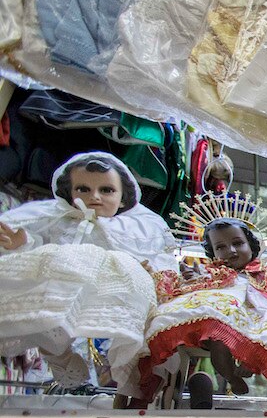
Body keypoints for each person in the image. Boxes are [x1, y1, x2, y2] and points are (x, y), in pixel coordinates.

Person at [0, 151, 176, 396]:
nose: (94, 197)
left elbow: (158, 257)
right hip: (64, 285)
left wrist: (148, 270)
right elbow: (37, 240)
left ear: (123, 197)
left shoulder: (138, 227)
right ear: (69, 192)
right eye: (83, 189)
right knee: (46, 312)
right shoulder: (55, 217)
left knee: (137, 314)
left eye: (106, 190)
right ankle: (57, 353)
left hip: (110, 289)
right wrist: (24, 242)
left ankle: (128, 371)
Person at [142, 217, 267, 398]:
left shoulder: (263, 273)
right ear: (213, 252)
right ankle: (231, 377)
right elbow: (198, 285)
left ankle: (252, 362)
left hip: (259, 314)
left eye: (237, 243)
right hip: (223, 317)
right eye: (221, 247)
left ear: (251, 245)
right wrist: (193, 277)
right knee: (220, 342)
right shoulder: (214, 273)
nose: (231, 251)